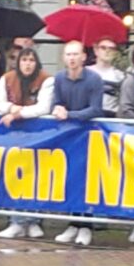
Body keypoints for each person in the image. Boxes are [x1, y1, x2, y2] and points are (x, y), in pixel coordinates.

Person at [0, 48, 54, 239]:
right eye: (24, 60)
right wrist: (12, 108)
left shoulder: (46, 80)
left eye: (31, 60)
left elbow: (43, 107)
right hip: (14, 135)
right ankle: (16, 221)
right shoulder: (6, 78)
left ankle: (34, 220)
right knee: (16, 177)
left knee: (37, 177)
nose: (27, 64)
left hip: (39, 134)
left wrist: (17, 114)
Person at [52, 41, 104, 247]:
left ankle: (86, 226)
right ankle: (73, 223)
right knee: (70, 178)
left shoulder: (94, 79)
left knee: (86, 180)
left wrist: (69, 114)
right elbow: (57, 102)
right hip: (68, 135)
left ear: (84, 57)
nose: (72, 58)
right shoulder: (58, 78)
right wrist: (57, 110)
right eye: (68, 54)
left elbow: (95, 109)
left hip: (89, 135)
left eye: (75, 54)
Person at [88, 37, 125, 117]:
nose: (107, 51)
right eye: (103, 48)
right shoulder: (85, 72)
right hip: (88, 116)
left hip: (111, 118)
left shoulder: (120, 76)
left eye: (111, 48)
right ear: (96, 50)